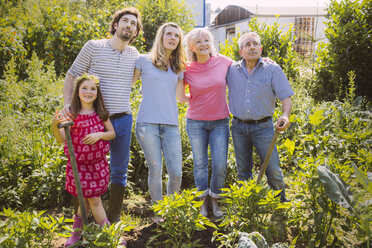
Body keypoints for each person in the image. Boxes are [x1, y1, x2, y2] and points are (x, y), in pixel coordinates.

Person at [61, 7, 142, 223]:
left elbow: (135, 78)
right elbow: (72, 75)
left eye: (133, 24)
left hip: (123, 118)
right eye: (125, 21)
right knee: (84, 166)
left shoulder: (134, 55)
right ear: (116, 25)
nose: (129, 25)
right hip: (93, 120)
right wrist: (67, 105)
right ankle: (83, 219)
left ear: (136, 32)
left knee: (119, 170)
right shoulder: (94, 47)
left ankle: (112, 219)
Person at [226, 32, 294, 202]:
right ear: (241, 51)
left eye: (255, 44)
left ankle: (281, 204)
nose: (252, 47)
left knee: (273, 169)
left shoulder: (273, 69)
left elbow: (286, 96)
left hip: (263, 127)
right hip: (238, 127)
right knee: (243, 170)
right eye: (247, 44)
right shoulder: (231, 70)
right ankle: (247, 205)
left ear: (261, 49)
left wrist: (285, 115)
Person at [52, 74, 116, 247]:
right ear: (77, 91)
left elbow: (112, 133)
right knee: (85, 199)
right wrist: (54, 125)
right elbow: (62, 139)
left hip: (97, 166)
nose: (88, 92)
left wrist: (99, 135)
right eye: (84, 88)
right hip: (78, 166)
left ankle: (108, 235)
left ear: (97, 92)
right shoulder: (71, 114)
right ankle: (80, 234)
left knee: (93, 200)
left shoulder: (101, 113)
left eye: (92, 88)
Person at [132, 22, 188, 204]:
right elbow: (127, 85)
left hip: (171, 125)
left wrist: (208, 92)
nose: (173, 38)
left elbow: (182, 98)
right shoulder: (143, 60)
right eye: (169, 34)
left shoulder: (178, 67)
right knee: (155, 169)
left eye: (176, 35)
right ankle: (158, 213)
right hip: (147, 124)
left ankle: (170, 209)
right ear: (161, 37)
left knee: (176, 173)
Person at [184, 28, 232, 218]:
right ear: (192, 47)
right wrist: (195, 98)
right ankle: (202, 203)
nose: (204, 44)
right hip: (196, 122)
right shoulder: (186, 68)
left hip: (220, 122)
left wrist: (264, 61)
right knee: (200, 164)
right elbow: (181, 95)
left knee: (220, 165)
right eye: (199, 41)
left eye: (206, 40)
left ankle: (215, 200)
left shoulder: (224, 62)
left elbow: (246, 68)